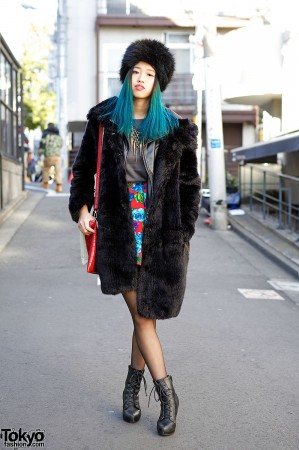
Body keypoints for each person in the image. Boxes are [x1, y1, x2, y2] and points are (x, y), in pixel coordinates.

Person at [69, 39, 201, 437]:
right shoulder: (105, 118)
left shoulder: (175, 128)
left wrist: (183, 232)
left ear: (158, 81)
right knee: (143, 314)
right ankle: (167, 396)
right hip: (119, 226)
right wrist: (81, 210)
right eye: (135, 71)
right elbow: (81, 172)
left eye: (149, 73)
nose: (141, 78)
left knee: (143, 313)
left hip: (161, 232)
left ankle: (130, 390)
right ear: (126, 75)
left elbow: (190, 186)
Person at [39, 122, 63, 193]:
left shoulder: (46, 134)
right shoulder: (58, 135)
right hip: (57, 156)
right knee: (58, 171)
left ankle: (45, 183)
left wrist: (40, 154)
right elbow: (61, 144)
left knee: (46, 169)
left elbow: (42, 145)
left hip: (48, 156)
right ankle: (59, 187)